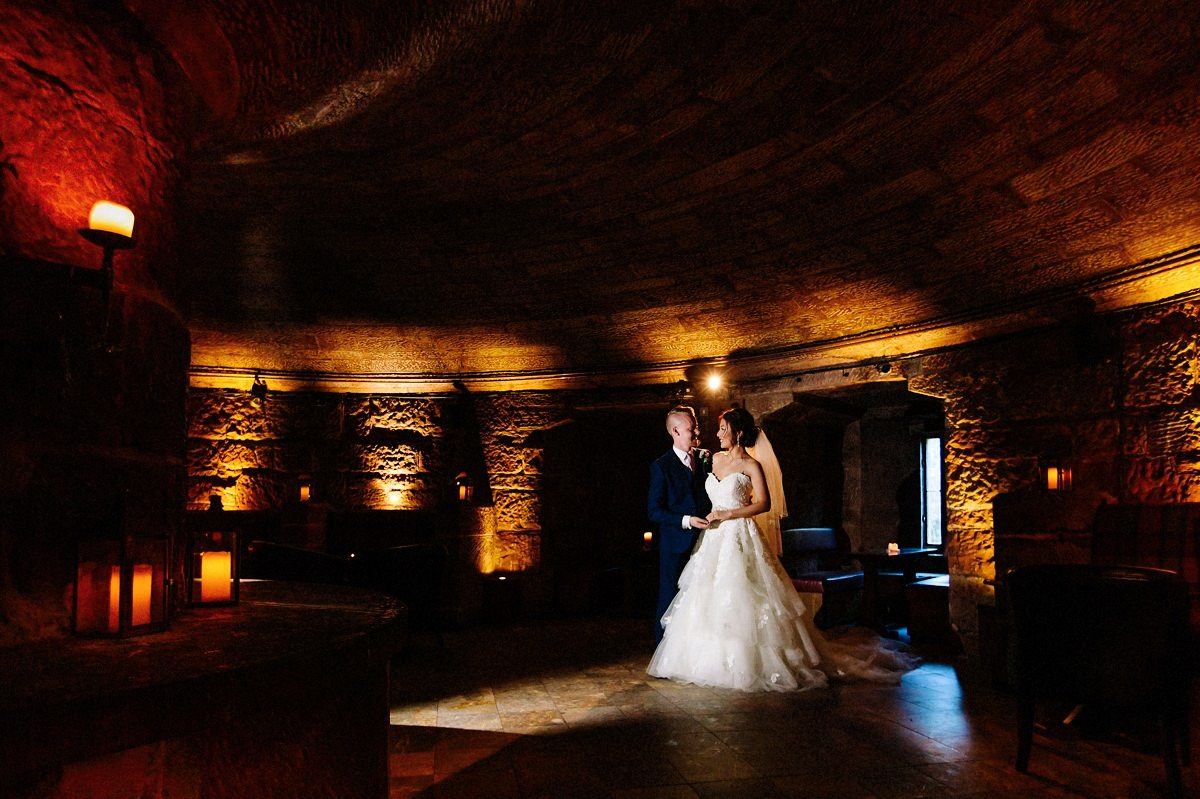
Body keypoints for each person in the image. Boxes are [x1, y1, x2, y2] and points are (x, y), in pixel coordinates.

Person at [648, 406, 918, 691]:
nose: (713, 433)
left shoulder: (750, 464)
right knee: (694, 597)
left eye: (723, 429)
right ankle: (686, 658)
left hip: (738, 533)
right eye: (699, 428)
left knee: (744, 592)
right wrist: (697, 518)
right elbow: (680, 500)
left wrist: (728, 514)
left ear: (738, 433)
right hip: (709, 538)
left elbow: (764, 504)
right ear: (677, 430)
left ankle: (746, 663)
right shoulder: (710, 460)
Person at [647, 405, 711, 644]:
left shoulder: (705, 459)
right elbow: (654, 511)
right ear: (675, 430)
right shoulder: (661, 466)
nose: (696, 431)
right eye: (691, 427)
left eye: (695, 426)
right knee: (669, 597)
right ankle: (663, 653)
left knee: (701, 595)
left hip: (705, 541)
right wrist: (686, 520)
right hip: (675, 544)